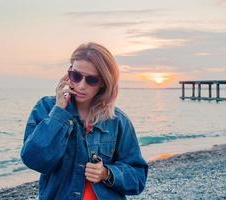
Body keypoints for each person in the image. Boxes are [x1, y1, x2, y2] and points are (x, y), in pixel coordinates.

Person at [20, 42, 148, 200]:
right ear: (68, 74)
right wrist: (59, 112)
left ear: (103, 82)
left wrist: (106, 173)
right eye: (76, 76)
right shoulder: (47, 108)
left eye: (92, 80)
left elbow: (138, 178)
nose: (81, 86)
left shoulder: (117, 121)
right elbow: (33, 159)